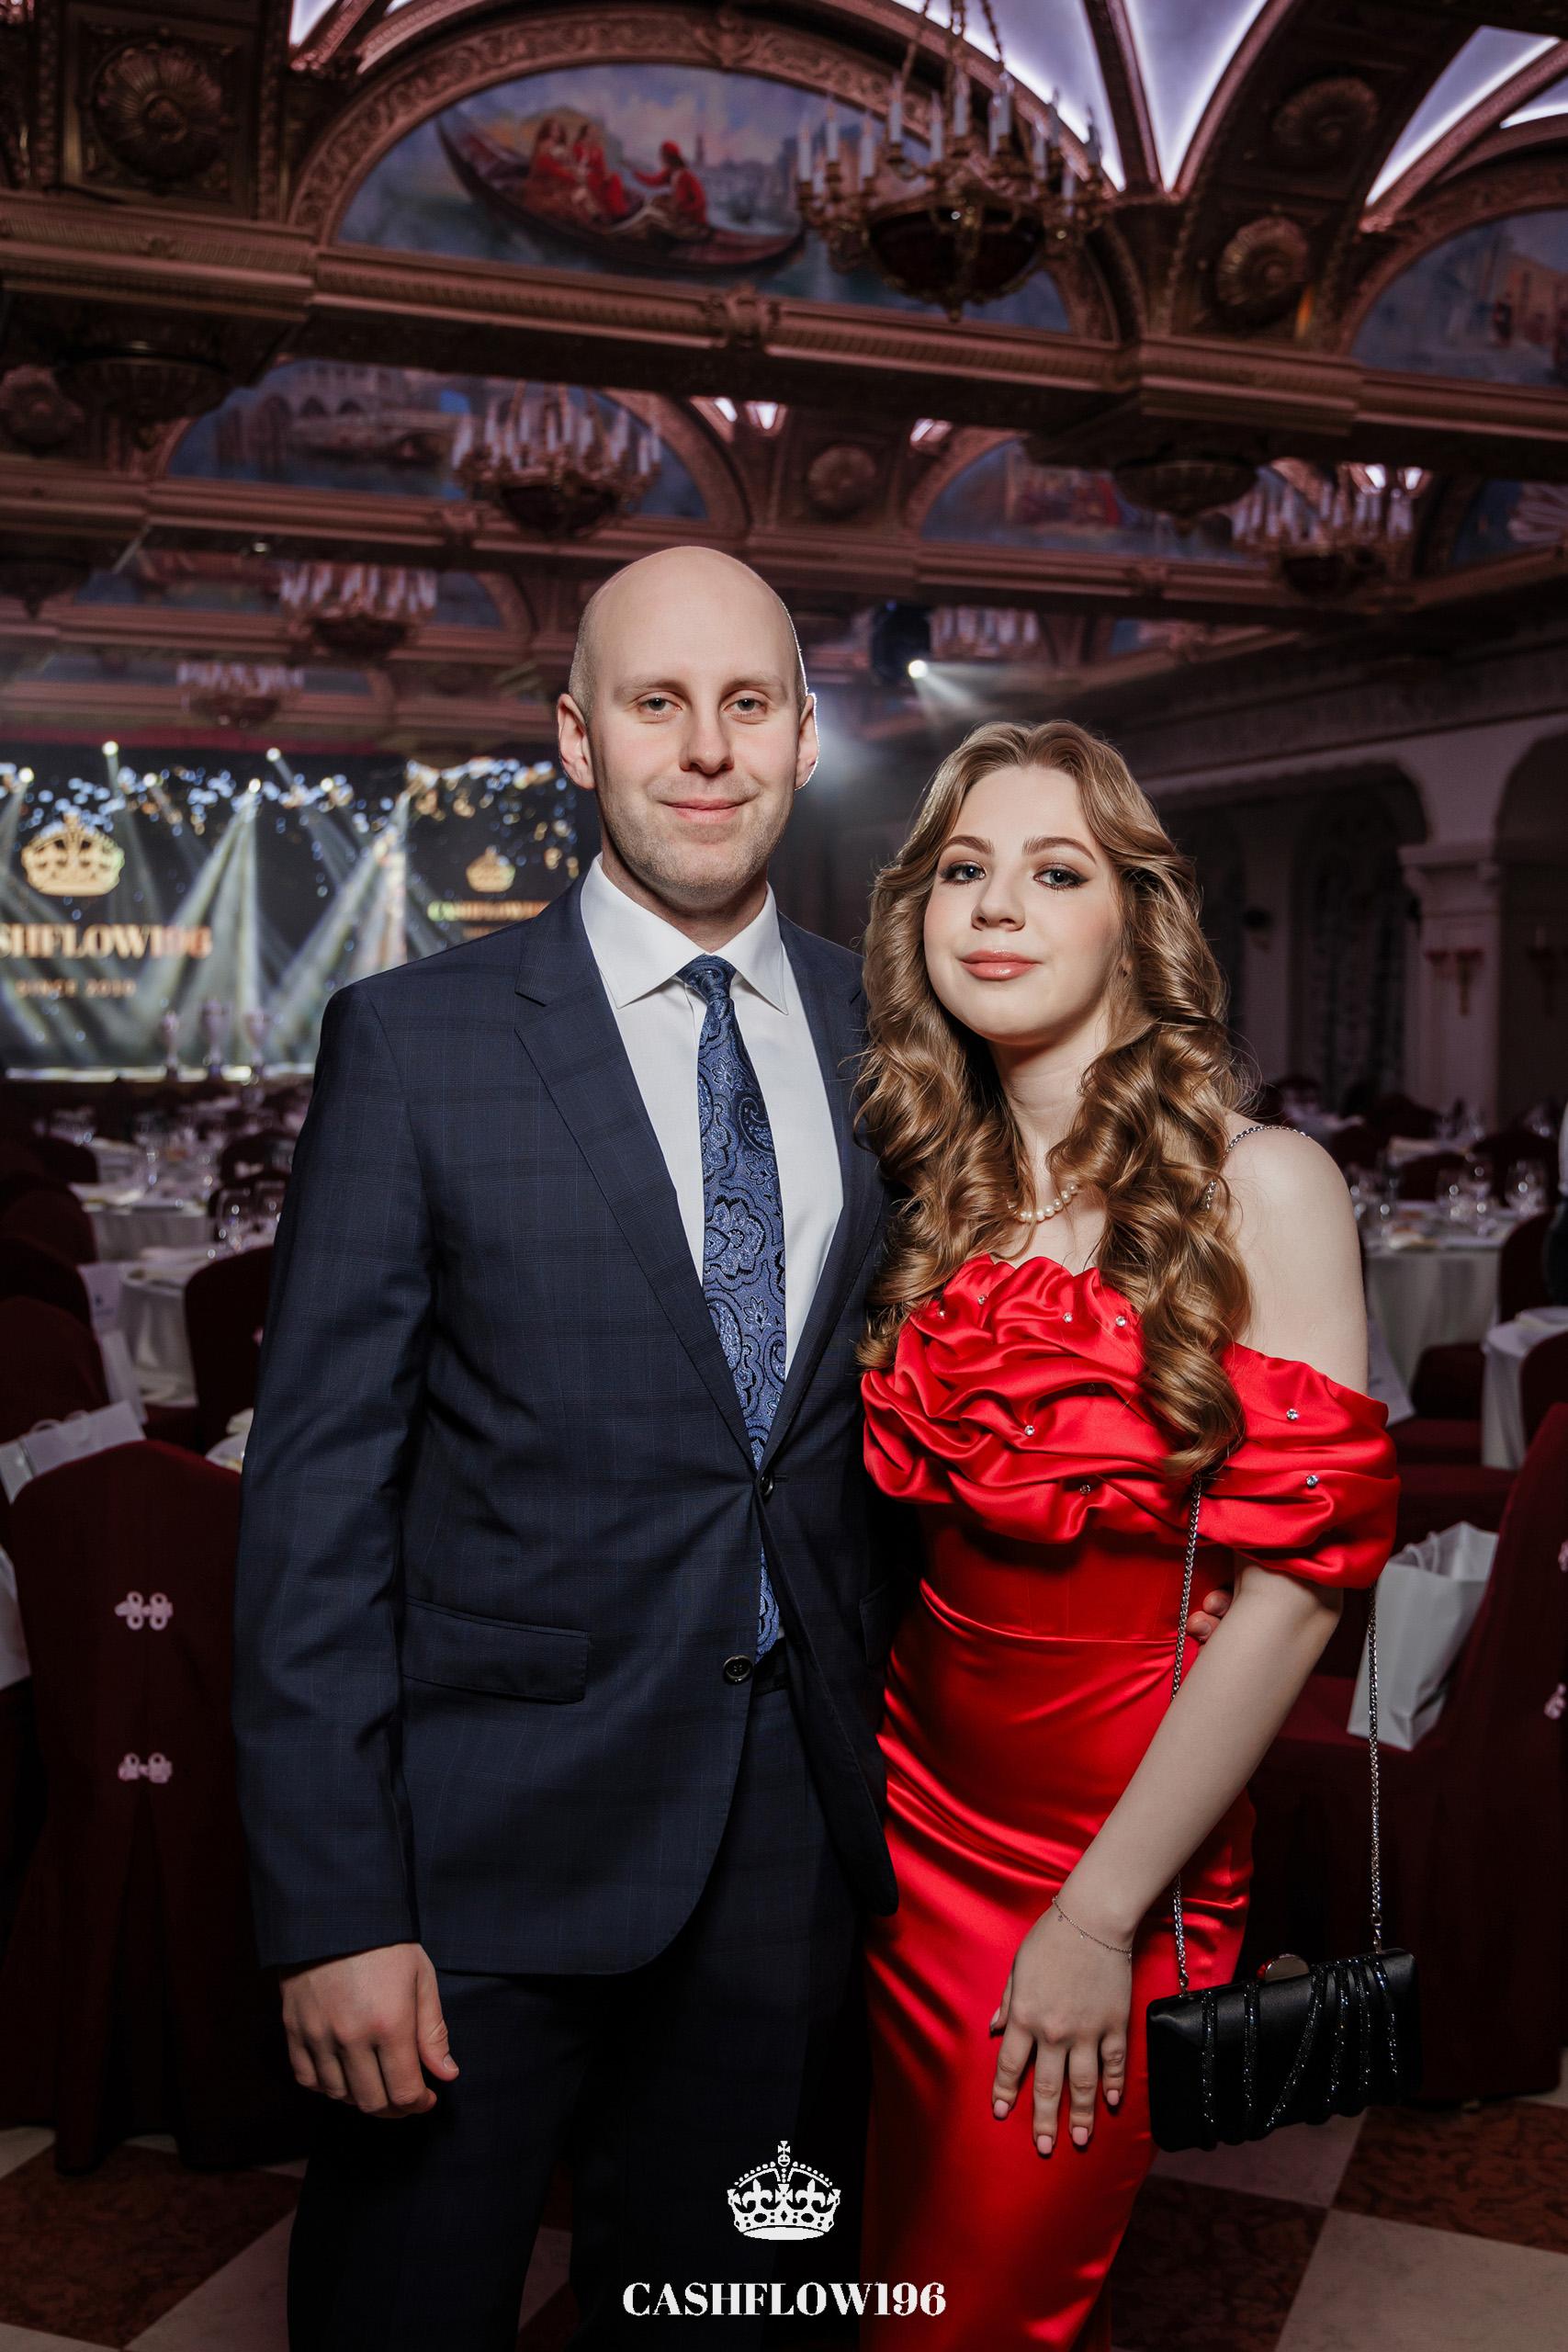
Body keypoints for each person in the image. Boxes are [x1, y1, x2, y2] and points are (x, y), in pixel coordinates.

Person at [230, 573, 1235, 2350]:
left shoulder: (909, 1042)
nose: (706, 749)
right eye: (656, 703)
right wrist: (332, 1909)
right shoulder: (418, 1042)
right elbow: (316, 1505)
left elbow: (1023, 1347)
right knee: (405, 2308)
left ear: (804, 735)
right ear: (577, 738)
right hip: (476, 1851)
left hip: (798, 1839)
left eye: (750, 704)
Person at [852, 718, 1401, 2347]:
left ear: (1134, 918)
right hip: (903, 1817)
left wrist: (1100, 1918)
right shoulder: (924, 1192)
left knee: (977, 2308)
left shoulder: (1263, 1184)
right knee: (900, 2273)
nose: (996, 907)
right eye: (965, 869)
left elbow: (1299, 1590)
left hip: (1110, 1859)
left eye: (1055, 871)